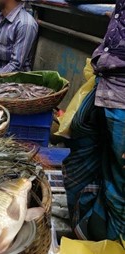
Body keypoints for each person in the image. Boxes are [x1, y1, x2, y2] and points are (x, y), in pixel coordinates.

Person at [63, 0, 124, 241]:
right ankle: (85, 232)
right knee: (84, 160)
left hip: (121, 96)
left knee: (119, 186)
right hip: (106, 82)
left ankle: (111, 242)